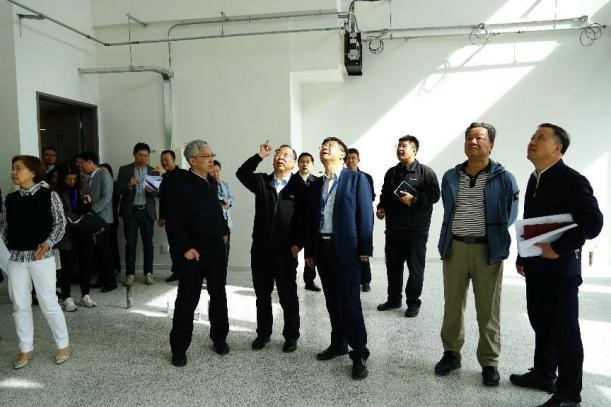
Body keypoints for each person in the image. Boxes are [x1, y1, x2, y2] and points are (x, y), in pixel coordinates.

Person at [510, 124, 603, 407]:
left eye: (541, 138)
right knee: (541, 322)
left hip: (561, 271)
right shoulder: (534, 179)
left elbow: (593, 223)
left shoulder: (573, 180)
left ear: (557, 148)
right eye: (532, 136)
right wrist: (523, 256)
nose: (532, 141)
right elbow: (532, 222)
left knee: (565, 332)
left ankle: (569, 394)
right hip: (537, 267)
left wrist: (559, 248)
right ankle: (544, 374)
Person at [435, 122, 519, 387]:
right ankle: (451, 353)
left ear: (490, 145)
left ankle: (489, 362)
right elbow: (449, 208)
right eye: (469, 137)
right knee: (452, 306)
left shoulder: (504, 178)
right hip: (455, 248)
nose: (473, 141)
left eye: (479, 137)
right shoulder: (450, 176)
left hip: (488, 251)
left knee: (488, 310)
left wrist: (493, 235)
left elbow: (510, 214)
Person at [304, 137, 373, 380]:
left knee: (350, 303)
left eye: (331, 145)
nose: (325, 147)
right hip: (323, 250)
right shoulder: (316, 184)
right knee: (332, 301)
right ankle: (339, 344)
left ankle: (359, 353)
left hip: (347, 249)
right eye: (323, 144)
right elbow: (311, 220)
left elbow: (366, 215)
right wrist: (310, 251)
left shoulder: (356, 179)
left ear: (343, 154)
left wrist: (365, 249)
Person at [164, 140, 230, 366]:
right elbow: (173, 220)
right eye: (206, 156)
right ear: (192, 160)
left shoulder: (211, 180)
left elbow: (216, 210)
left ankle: (219, 338)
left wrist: (225, 231)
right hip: (193, 253)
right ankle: (179, 349)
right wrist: (185, 248)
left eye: (212, 154)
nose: (211, 159)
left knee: (219, 296)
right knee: (187, 300)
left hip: (215, 251)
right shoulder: (179, 183)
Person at [1, 155, 70, 369]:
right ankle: (25, 349)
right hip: (16, 258)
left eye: (18, 168)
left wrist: (48, 244)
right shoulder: (11, 198)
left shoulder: (49, 194)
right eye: (13, 168)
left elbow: (60, 223)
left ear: (33, 172)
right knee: (19, 305)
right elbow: (6, 227)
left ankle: (63, 345)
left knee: (48, 302)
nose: (13, 172)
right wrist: (7, 247)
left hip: (41, 258)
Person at [236, 141, 304, 353]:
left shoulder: (299, 187)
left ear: (293, 162)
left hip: (286, 252)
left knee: (287, 295)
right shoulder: (262, 182)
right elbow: (241, 173)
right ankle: (263, 333)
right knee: (262, 295)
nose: (280, 156)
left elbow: (305, 219)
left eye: (286, 154)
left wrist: (298, 244)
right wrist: (259, 155)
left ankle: (291, 335)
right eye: (278, 153)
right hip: (261, 250)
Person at [376, 135, 440, 317]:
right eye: (398, 146)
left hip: (416, 231)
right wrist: (381, 208)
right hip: (393, 230)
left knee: (415, 269)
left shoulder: (426, 172)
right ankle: (393, 299)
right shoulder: (391, 172)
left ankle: (413, 303)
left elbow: (435, 195)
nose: (400, 149)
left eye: (404, 146)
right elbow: (384, 194)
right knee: (393, 267)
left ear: (414, 150)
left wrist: (415, 199)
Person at [117, 143, 158, 287]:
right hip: (131, 212)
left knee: (148, 244)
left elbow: (159, 193)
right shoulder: (125, 170)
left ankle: (148, 273)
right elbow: (118, 190)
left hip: (147, 212)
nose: (143, 158)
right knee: (130, 245)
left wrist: (151, 191)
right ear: (134, 154)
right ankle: (130, 274)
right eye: (140, 155)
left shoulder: (153, 171)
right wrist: (129, 185)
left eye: (146, 156)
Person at [78, 151, 117, 295]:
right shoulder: (90, 177)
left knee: (105, 251)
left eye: (82, 163)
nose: (80, 166)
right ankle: (102, 278)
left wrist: (92, 212)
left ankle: (111, 282)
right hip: (94, 219)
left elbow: (106, 197)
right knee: (98, 252)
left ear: (89, 162)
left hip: (103, 219)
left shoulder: (104, 174)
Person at [345, 148, 375, 292]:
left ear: (358, 160)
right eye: (348, 158)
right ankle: (353, 280)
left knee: (363, 251)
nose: (350, 160)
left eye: (353, 158)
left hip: (362, 217)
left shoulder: (366, 177)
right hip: (347, 220)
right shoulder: (341, 177)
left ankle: (366, 281)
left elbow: (371, 196)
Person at [56, 163, 84, 312]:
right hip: (66, 232)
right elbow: (61, 211)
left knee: (81, 262)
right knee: (67, 265)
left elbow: (85, 206)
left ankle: (85, 295)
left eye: (74, 178)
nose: (71, 182)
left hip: (81, 230)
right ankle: (66, 297)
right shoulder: (56, 191)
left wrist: (87, 205)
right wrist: (78, 218)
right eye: (68, 179)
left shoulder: (81, 187)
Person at [295, 152, 321, 292]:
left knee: (311, 252)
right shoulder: (291, 180)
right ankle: (288, 278)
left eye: (307, 162)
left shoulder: (317, 182)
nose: (305, 164)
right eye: (302, 161)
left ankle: (309, 281)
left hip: (312, 223)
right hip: (294, 223)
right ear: (298, 163)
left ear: (312, 164)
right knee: (292, 251)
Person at [157, 150, 180, 283]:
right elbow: (163, 199)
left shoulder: (182, 175)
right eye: (162, 160)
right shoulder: (164, 177)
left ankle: (186, 271)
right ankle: (176, 271)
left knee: (183, 245)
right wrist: (161, 216)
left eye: (167, 160)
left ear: (174, 160)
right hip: (169, 218)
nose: (164, 162)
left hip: (183, 218)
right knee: (173, 245)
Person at [211, 160, 235, 267]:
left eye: (217, 171)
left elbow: (233, 200)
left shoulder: (225, 185)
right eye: (213, 171)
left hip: (226, 222)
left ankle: (223, 272)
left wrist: (227, 203)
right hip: (213, 223)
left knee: (225, 249)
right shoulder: (206, 186)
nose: (215, 174)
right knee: (214, 250)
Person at [99, 163, 122, 278]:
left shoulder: (114, 184)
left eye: (105, 171)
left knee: (112, 244)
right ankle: (104, 270)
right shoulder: (97, 184)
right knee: (102, 246)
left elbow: (113, 201)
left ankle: (116, 268)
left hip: (111, 218)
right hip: (99, 219)